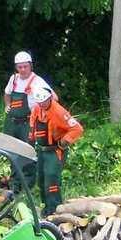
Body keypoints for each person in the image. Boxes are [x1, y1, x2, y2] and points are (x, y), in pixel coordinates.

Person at [28, 87, 84, 215]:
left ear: (49, 98)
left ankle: (55, 209)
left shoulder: (59, 112)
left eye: (44, 102)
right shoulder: (37, 109)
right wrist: (31, 139)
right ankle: (46, 207)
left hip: (55, 151)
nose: (42, 104)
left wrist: (64, 141)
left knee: (51, 179)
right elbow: (32, 124)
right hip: (41, 150)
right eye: (39, 102)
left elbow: (77, 129)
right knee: (41, 179)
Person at [2, 51, 56, 143]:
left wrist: (41, 113)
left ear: (30, 66)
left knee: (27, 150)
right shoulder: (14, 78)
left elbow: (54, 98)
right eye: (20, 67)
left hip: (27, 123)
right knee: (9, 147)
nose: (23, 69)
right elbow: (7, 93)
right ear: (16, 67)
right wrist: (7, 105)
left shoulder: (37, 81)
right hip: (11, 122)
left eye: (25, 66)